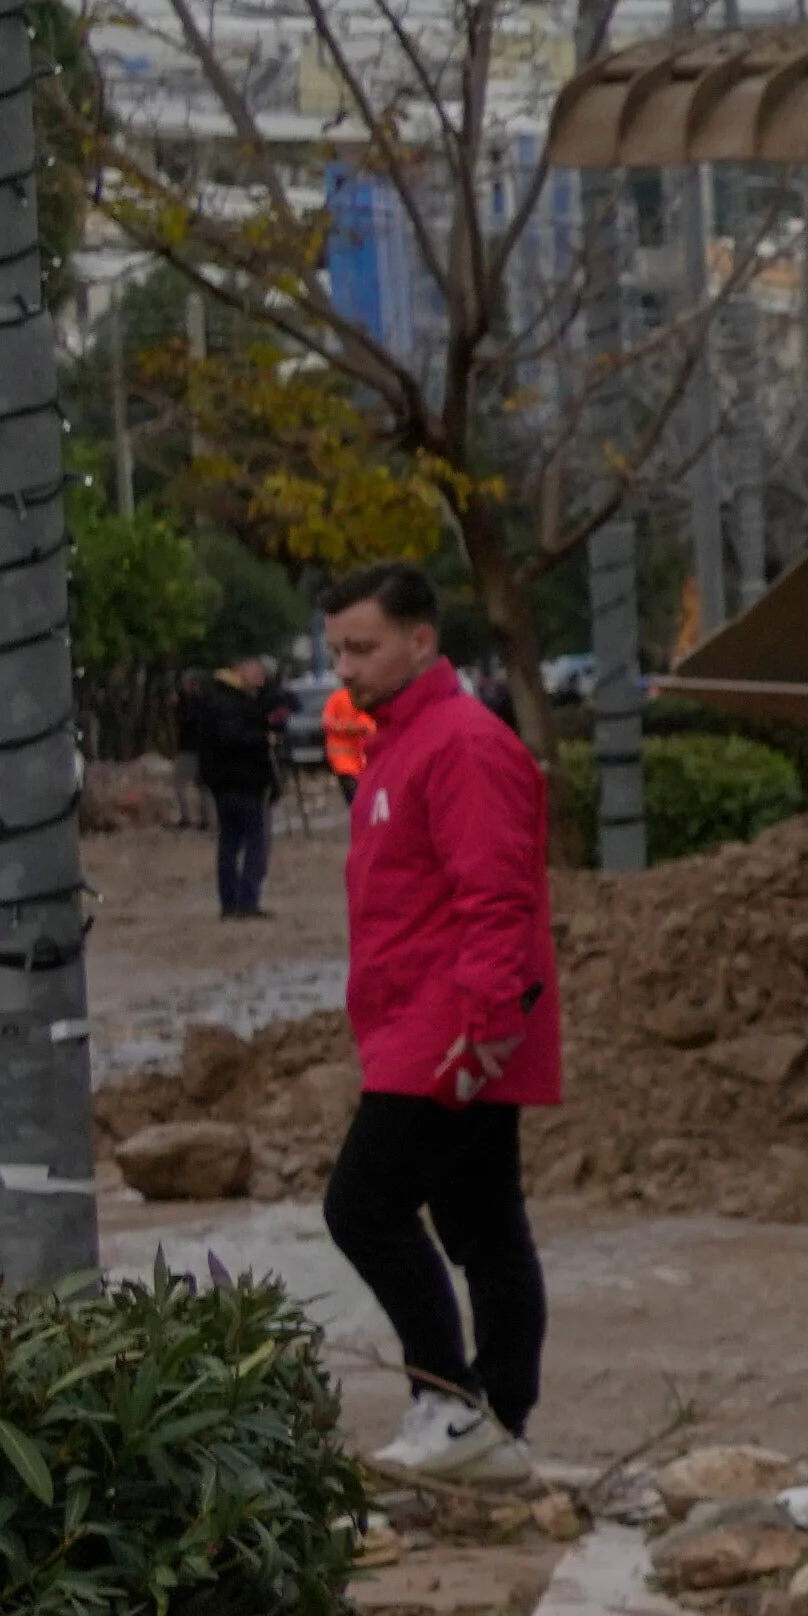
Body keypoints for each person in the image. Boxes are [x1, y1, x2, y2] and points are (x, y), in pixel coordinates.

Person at [309, 567, 556, 1471]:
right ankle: (493, 1423)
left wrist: (489, 1023)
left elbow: (496, 895)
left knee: (363, 1206)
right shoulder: (397, 744)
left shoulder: (461, 744)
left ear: (422, 640)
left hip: (451, 1028)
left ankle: (451, 1402)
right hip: (419, 1022)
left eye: (363, 648)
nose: (347, 668)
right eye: (337, 649)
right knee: (484, 1222)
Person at [165, 650, 290, 924]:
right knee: (252, 843)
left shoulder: (224, 698)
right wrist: (262, 740)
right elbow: (232, 738)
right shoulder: (228, 701)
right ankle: (246, 902)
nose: (260, 678)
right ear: (240, 669)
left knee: (229, 844)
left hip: (225, 783)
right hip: (241, 782)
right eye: (256, 671)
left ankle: (231, 902)